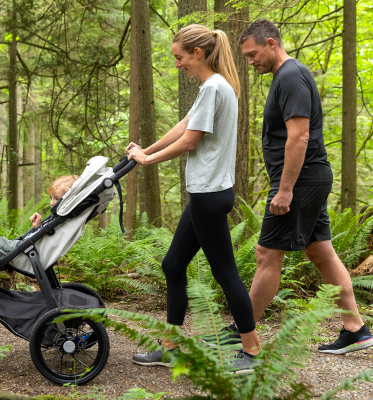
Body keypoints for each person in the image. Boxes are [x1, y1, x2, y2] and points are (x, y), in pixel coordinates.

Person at [234, 19, 373, 354]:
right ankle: (356, 329)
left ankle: (242, 334)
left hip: (300, 179)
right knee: (320, 250)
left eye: (253, 54)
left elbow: (299, 136)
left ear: (271, 43)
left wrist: (285, 190)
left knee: (267, 253)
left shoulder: (290, 76)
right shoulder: (286, 76)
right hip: (308, 178)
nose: (251, 61)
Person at [126, 24, 261, 373]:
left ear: (198, 54)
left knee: (226, 273)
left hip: (209, 196)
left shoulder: (215, 87)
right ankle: (170, 346)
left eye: (179, 57)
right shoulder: (215, 87)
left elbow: (190, 141)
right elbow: (185, 124)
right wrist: (146, 149)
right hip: (206, 194)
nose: (177, 64)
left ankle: (251, 351)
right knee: (172, 265)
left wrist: (148, 161)